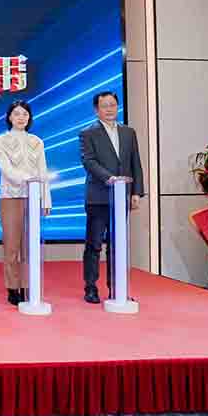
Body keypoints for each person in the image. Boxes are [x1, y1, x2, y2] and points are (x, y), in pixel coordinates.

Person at [79, 90, 145, 304]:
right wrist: (111, 178)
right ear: (96, 110)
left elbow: (135, 162)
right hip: (98, 197)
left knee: (117, 245)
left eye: (112, 105)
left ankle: (116, 288)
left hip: (121, 197)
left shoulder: (128, 132)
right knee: (94, 245)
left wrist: (136, 191)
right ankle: (91, 287)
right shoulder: (88, 133)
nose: (109, 109)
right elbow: (88, 162)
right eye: (104, 105)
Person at [0, 100, 52, 306]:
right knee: (12, 245)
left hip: (34, 198)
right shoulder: (0, 141)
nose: (21, 118)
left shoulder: (37, 141)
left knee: (30, 245)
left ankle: (28, 285)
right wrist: (29, 180)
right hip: (11, 196)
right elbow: (6, 169)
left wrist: (45, 198)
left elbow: (43, 171)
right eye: (16, 114)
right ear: (9, 117)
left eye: (25, 114)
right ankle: (12, 287)